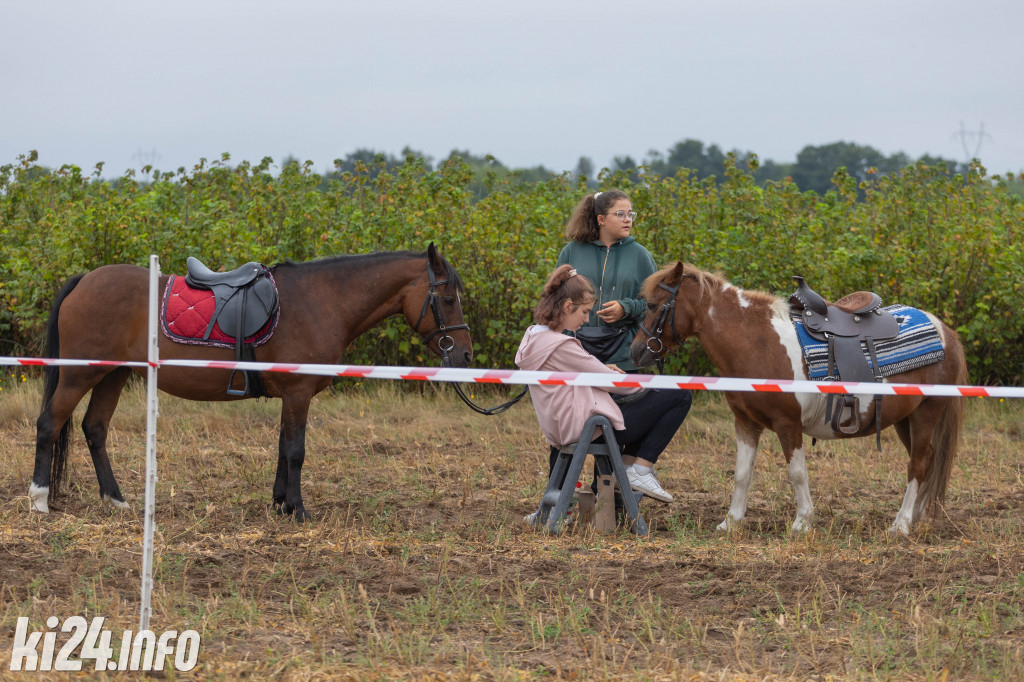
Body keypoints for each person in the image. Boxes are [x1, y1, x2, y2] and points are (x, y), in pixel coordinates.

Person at [515, 265, 692, 522]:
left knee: (643, 408)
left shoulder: (534, 337)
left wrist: (600, 371)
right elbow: (618, 385)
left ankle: (625, 473)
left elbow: (582, 372)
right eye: (584, 312)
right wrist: (633, 379)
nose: (586, 320)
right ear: (567, 307)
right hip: (587, 427)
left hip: (561, 425)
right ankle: (639, 469)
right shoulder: (562, 346)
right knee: (678, 396)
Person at [556, 189, 656, 373]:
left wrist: (626, 308)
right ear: (601, 219)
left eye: (630, 214)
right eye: (620, 214)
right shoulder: (571, 251)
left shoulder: (641, 256)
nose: (628, 219)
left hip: (623, 354)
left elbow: (653, 307)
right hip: (576, 350)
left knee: (620, 403)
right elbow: (555, 300)